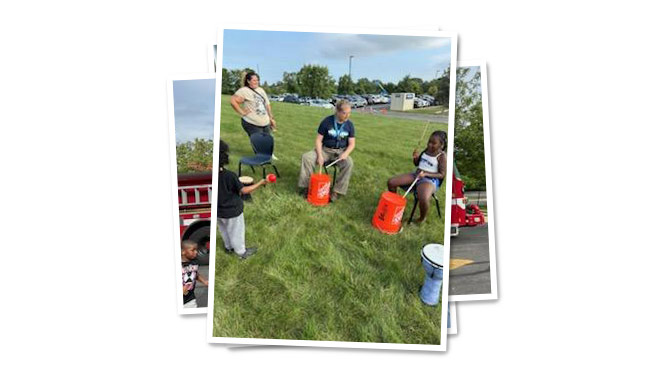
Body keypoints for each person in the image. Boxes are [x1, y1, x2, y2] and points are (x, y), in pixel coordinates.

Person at [297, 100, 355, 202]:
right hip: (325, 150)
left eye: (349, 113)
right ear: (337, 111)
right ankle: (308, 187)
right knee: (307, 157)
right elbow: (318, 140)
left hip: (341, 152)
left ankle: (336, 191)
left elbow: (352, 144)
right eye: (344, 113)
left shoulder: (349, 125)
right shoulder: (327, 121)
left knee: (349, 163)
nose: (347, 116)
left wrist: (346, 153)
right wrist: (319, 155)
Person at [217, 140, 266, 259]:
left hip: (218, 212)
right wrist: (260, 182)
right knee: (236, 231)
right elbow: (244, 191)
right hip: (232, 211)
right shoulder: (229, 176)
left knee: (224, 229)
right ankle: (241, 252)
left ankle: (228, 247)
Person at [387, 130, 447, 224]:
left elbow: (442, 174)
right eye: (429, 142)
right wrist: (415, 158)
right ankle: (394, 205)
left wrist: (426, 174)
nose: (430, 145)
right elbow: (417, 164)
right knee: (391, 182)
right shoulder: (426, 150)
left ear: (441, 145)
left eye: (433, 143)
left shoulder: (442, 156)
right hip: (416, 175)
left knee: (423, 197)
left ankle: (421, 219)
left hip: (430, 180)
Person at [230, 71, 277, 137]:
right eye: (254, 80)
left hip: (265, 124)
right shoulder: (244, 90)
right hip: (252, 124)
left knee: (267, 144)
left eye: (257, 80)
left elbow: (267, 104)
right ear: (248, 81)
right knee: (259, 144)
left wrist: (271, 118)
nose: (257, 82)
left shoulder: (261, 90)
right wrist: (242, 112)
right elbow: (233, 100)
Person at [181, 240, 208, 308]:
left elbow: (195, 273)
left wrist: (204, 281)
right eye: (192, 250)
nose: (196, 252)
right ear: (183, 252)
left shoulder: (194, 262)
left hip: (190, 298)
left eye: (196, 250)